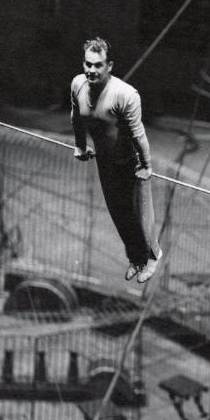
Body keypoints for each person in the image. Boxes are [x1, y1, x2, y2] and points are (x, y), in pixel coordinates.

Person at [70, 37, 162, 283]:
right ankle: (136, 258)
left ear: (109, 66)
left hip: (129, 162)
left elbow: (138, 133)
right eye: (88, 64)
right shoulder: (78, 85)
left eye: (98, 65)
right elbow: (76, 117)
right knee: (119, 215)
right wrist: (80, 145)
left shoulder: (125, 94)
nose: (91, 70)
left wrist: (146, 165)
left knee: (139, 214)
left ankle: (153, 256)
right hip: (105, 162)